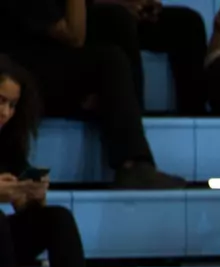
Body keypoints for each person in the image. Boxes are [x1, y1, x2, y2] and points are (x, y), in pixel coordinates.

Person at [0, 55, 123, 267]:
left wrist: (31, 194)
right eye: (1, 101)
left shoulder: (7, 140)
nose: (6, 112)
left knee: (57, 219)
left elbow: (24, 208)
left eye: (12, 105)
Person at [0, 0, 188, 187]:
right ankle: (131, 163)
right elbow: (74, 36)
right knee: (110, 61)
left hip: (47, 52)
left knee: (118, 19)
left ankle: (132, 128)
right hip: (17, 64)